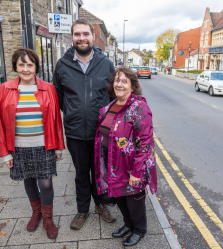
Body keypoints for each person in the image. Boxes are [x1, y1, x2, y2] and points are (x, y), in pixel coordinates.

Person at [53, 19, 116, 231]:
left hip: (101, 133)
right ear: (72, 37)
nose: (82, 38)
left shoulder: (105, 64)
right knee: (81, 173)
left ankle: (100, 205)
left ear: (92, 36)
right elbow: (59, 98)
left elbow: (114, 97)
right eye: (77, 34)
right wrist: (74, 113)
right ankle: (82, 209)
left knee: (99, 172)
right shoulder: (62, 65)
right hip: (75, 132)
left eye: (85, 34)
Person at [0, 48, 65, 239]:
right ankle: (36, 213)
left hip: (44, 145)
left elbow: (56, 120)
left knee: (45, 182)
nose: (26, 69)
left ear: (36, 67)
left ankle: (48, 218)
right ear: (15, 67)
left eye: (30, 65)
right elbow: (0, 123)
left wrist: (59, 147)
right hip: (19, 146)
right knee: (28, 180)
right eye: (21, 64)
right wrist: (5, 153)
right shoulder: (5, 88)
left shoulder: (48, 88)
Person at [94, 67, 157, 246]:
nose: (119, 84)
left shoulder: (139, 108)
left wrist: (137, 172)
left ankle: (139, 229)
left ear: (132, 85)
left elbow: (145, 142)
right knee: (120, 197)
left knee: (134, 200)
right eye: (116, 80)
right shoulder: (111, 105)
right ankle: (128, 224)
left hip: (132, 166)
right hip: (113, 163)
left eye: (124, 81)